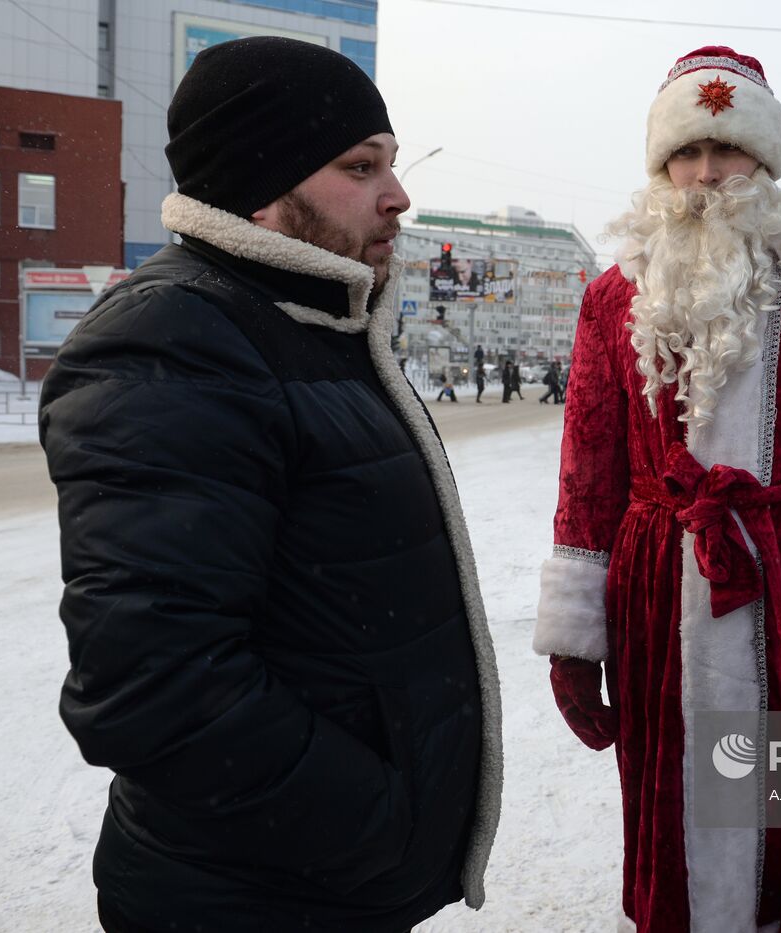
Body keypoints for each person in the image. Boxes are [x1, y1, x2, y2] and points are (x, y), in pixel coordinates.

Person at [37, 37, 502, 932]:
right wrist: (378, 823)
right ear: (265, 184)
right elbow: (153, 691)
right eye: (360, 166)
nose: (398, 195)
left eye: (392, 164)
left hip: (319, 887)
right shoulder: (174, 340)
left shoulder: (312, 327)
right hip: (253, 895)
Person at [533, 46, 781, 932]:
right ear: (661, 165)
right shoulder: (613, 294)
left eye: (730, 150)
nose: (708, 175)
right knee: (672, 801)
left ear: (768, 158)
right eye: (687, 153)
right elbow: (588, 464)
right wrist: (574, 635)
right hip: (657, 590)